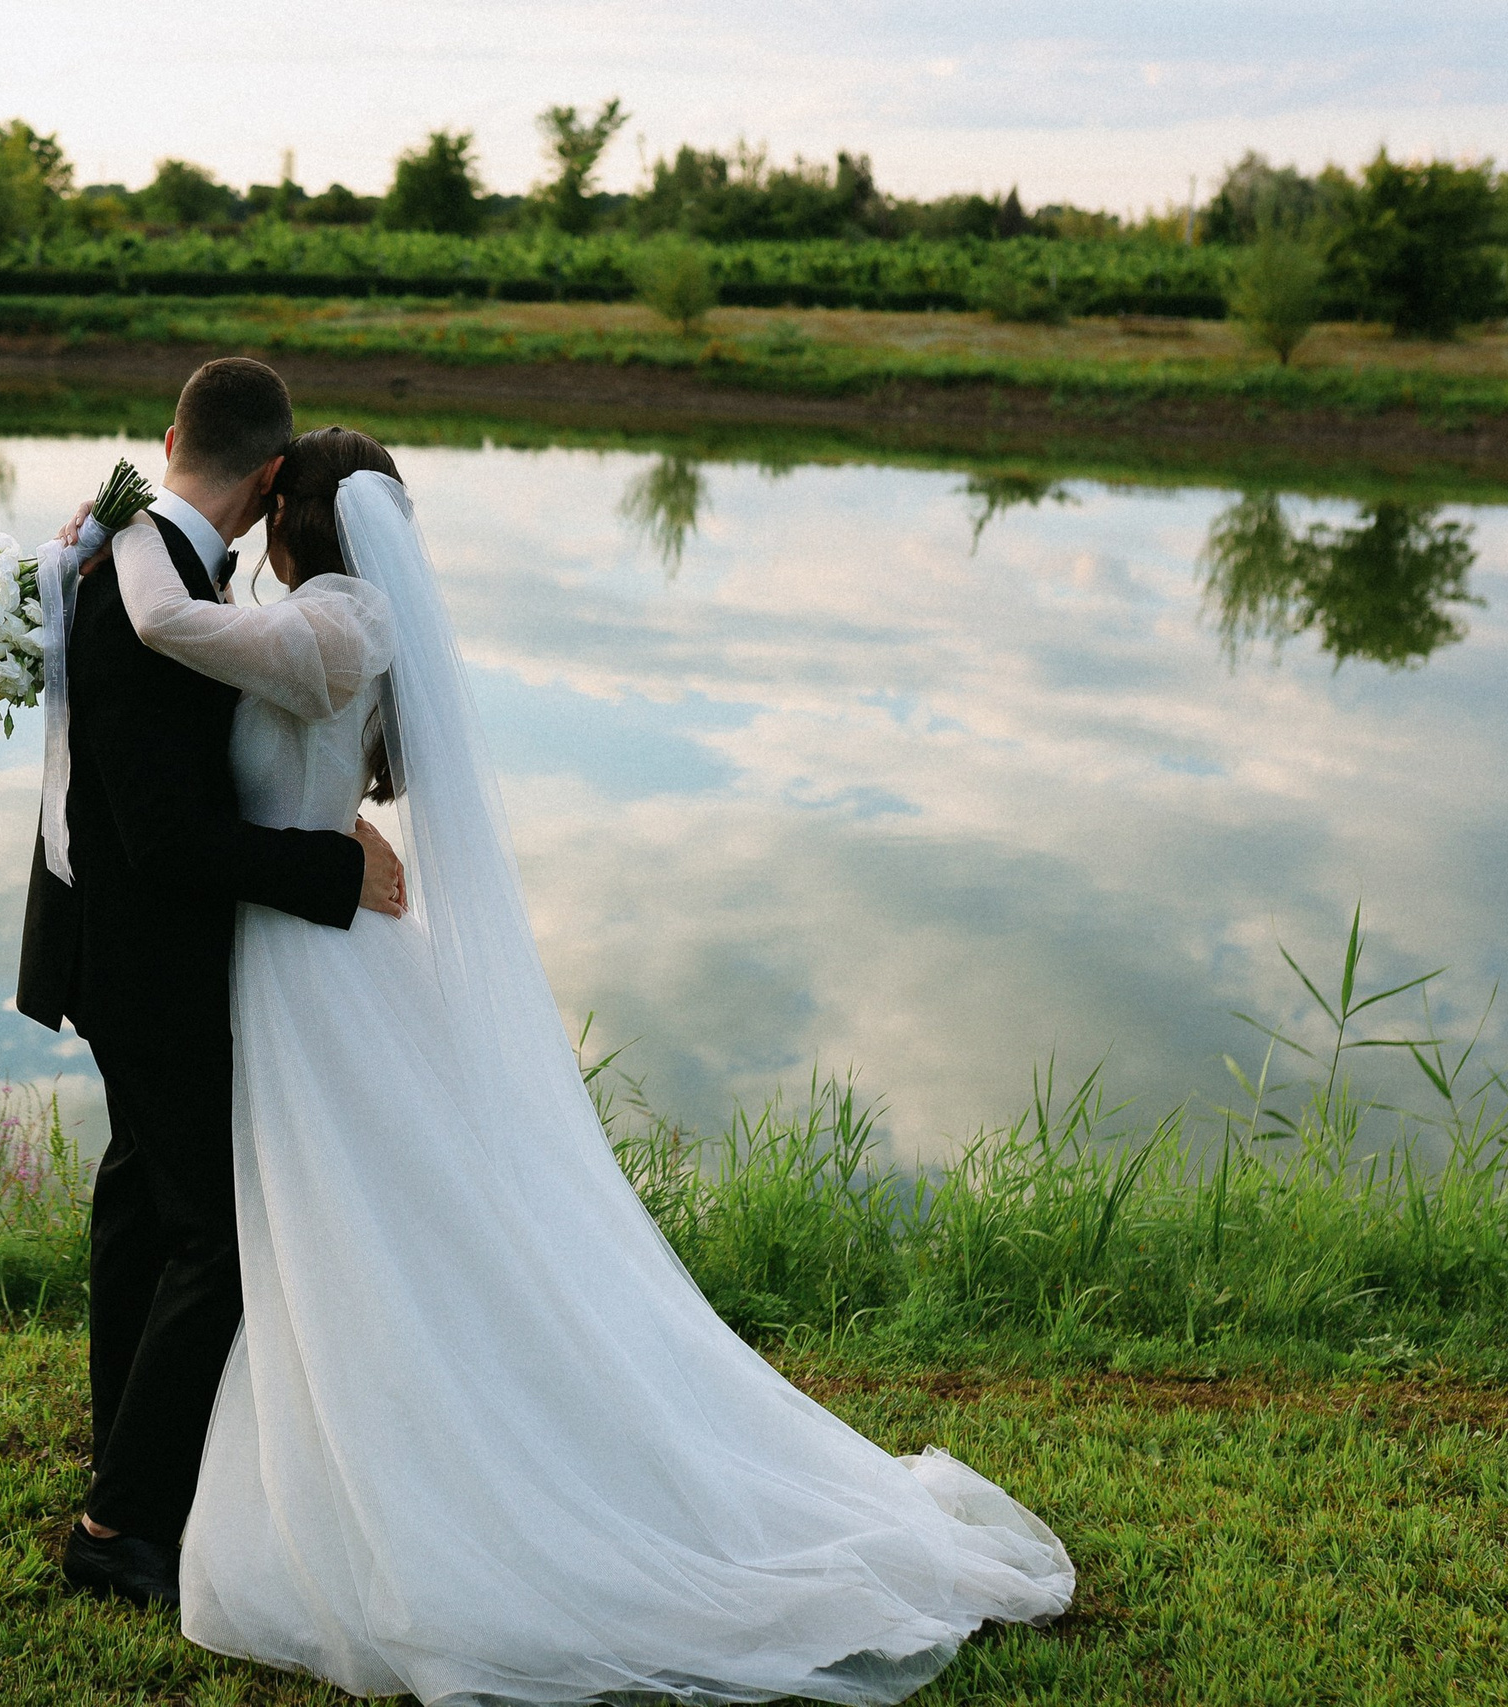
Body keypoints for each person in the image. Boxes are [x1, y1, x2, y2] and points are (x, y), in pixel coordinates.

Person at [97, 424, 1075, 1705]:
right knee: (339, 1221)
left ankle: (417, 1463)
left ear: (289, 503)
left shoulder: (338, 626)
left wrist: (118, 529)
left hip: (315, 967)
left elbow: (174, 630)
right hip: (292, 951)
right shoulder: (316, 607)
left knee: (356, 1221)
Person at [15, 361, 406, 1608]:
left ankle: (123, 1475)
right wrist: (332, 866)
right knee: (215, 1241)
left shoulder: (143, 564)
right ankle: (122, 1525)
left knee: (142, 1205)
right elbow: (173, 839)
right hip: (152, 956)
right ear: (272, 473)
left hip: (114, 941)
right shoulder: (149, 581)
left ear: (171, 434)